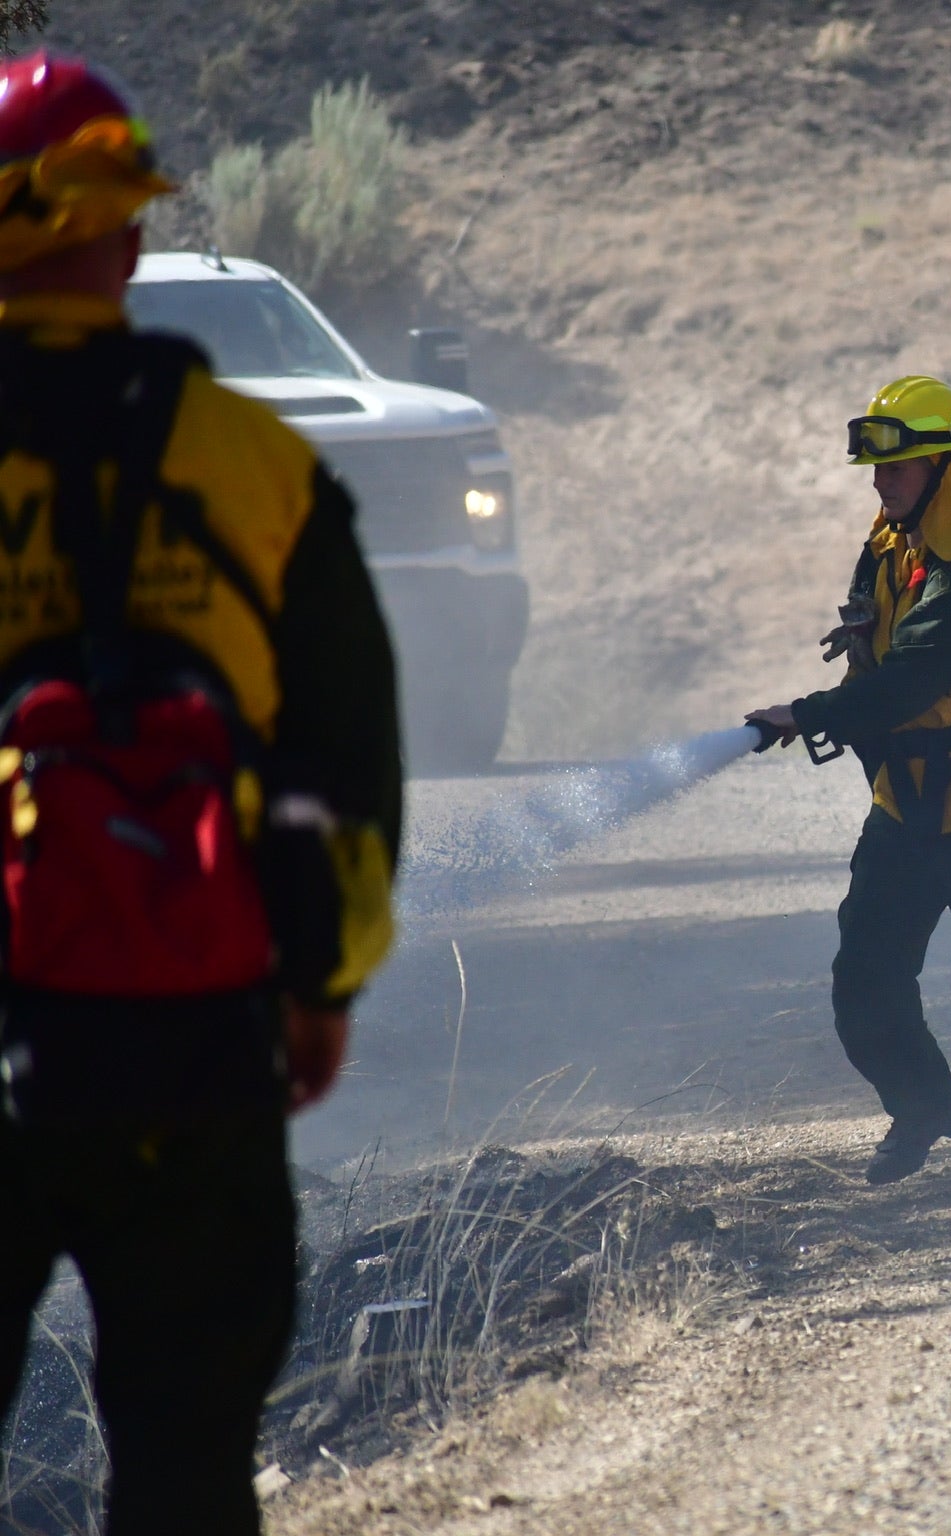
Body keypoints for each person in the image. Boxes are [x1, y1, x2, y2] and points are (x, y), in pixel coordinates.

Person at [0, 55, 402, 1535]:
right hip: (199, 1039)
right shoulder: (260, 468)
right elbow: (349, 766)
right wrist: (320, 988)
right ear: (131, 238)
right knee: (185, 1459)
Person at [749, 376, 951, 1198]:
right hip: (906, 801)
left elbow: (911, 681)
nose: (881, 484)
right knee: (866, 975)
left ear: (948, 469)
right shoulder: (892, 546)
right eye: (878, 471)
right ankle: (922, 1106)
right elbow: (881, 657)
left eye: (900, 468)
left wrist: (805, 713)